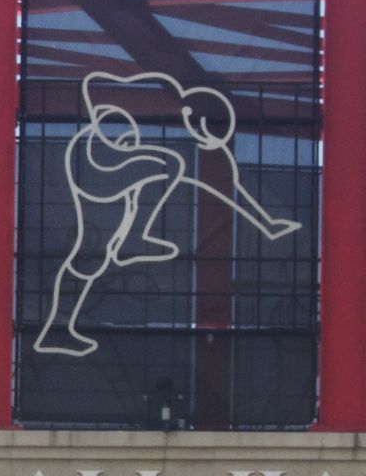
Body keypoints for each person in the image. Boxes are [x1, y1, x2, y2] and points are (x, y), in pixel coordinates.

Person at [34, 70, 302, 357]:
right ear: (197, 118)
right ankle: (145, 237)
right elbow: (93, 89)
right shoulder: (149, 91)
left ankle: (57, 330)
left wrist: (268, 222)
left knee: (89, 261)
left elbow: (230, 185)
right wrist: (120, 129)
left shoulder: (196, 132)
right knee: (169, 163)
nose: (210, 142)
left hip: (115, 172)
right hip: (91, 159)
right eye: (209, 134)